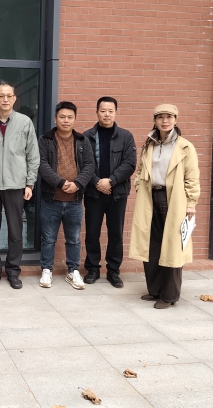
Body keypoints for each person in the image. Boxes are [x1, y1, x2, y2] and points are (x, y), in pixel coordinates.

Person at [129, 104, 200, 309]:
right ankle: (155, 290)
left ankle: (169, 296)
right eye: (160, 117)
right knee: (151, 245)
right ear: (155, 120)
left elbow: (192, 178)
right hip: (150, 197)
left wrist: (191, 203)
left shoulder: (185, 147)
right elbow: (141, 170)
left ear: (176, 120)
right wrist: (138, 185)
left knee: (172, 247)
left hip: (174, 200)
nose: (165, 121)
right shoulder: (149, 144)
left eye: (169, 117)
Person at [0, 81, 40, 290]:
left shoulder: (24, 123)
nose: (5, 99)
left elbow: (33, 156)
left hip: (16, 184)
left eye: (9, 95)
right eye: (1, 96)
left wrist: (29, 183)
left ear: (14, 98)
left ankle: (13, 271)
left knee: (15, 232)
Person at [38, 101, 95, 290]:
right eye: (62, 117)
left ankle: (73, 270)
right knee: (48, 238)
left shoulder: (82, 140)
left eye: (70, 117)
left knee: (74, 239)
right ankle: (47, 269)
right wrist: (61, 183)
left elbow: (89, 165)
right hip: (51, 199)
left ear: (75, 119)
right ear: (55, 119)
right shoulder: (45, 140)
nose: (66, 120)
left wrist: (77, 184)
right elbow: (42, 165)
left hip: (75, 200)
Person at [82, 97, 136, 288]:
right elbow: (83, 164)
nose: (107, 114)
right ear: (97, 112)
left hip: (117, 193)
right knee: (92, 232)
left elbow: (129, 164)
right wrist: (97, 181)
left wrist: (111, 181)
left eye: (110, 111)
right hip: (93, 192)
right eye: (103, 111)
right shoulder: (87, 136)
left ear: (116, 113)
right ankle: (92, 269)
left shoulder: (126, 136)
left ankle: (113, 270)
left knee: (115, 233)